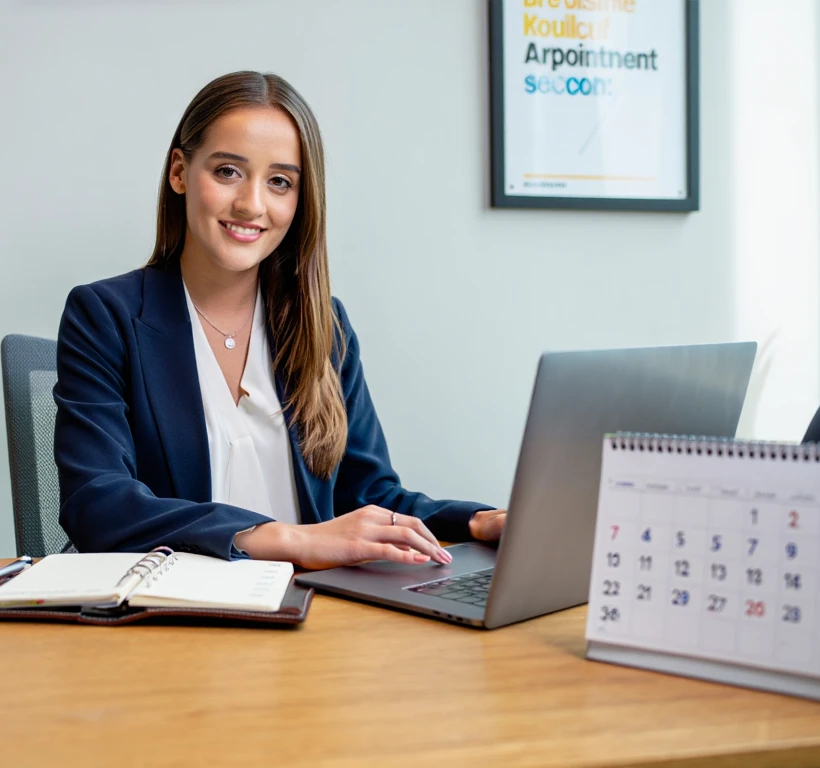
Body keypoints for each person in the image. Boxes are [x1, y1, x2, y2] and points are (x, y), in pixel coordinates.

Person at [53, 71, 505, 569]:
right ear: (180, 172)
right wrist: (291, 541)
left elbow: (369, 496)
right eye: (227, 171)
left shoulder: (324, 326)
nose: (252, 204)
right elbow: (97, 504)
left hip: (317, 615)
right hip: (179, 619)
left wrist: (476, 522)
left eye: (280, 182)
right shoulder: (105, 317)